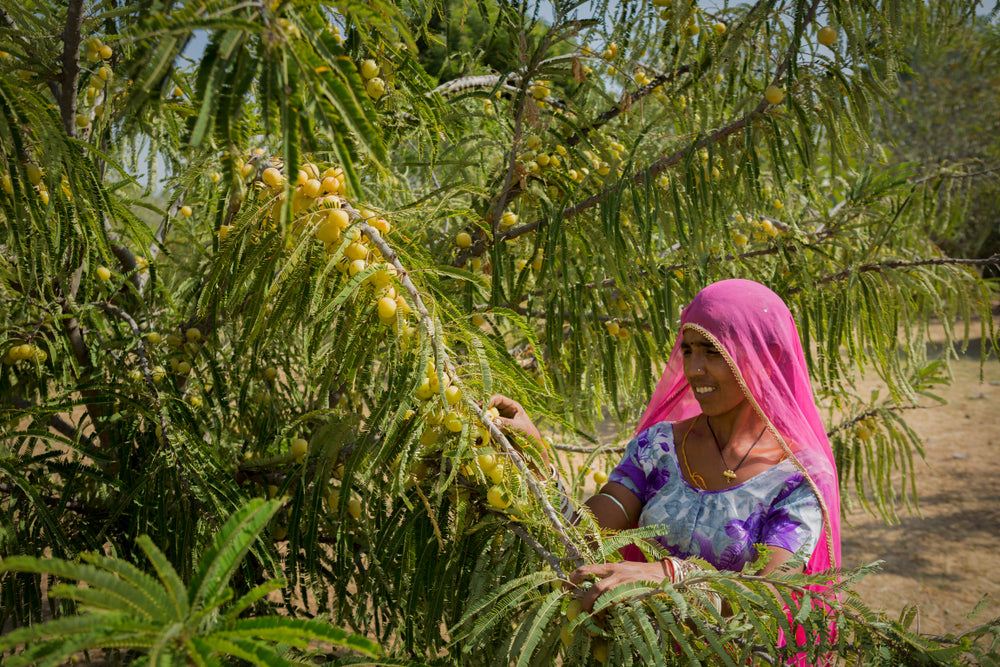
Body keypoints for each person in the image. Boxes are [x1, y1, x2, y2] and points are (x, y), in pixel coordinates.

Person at [489, 279, 841, 613]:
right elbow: (583, 538)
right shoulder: (658, 447)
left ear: (767, 357)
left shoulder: (799, 478)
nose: (694, 368)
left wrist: (670, 575)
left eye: (713, 352)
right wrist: (535, 459)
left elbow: (770, 595)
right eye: (688, 350)